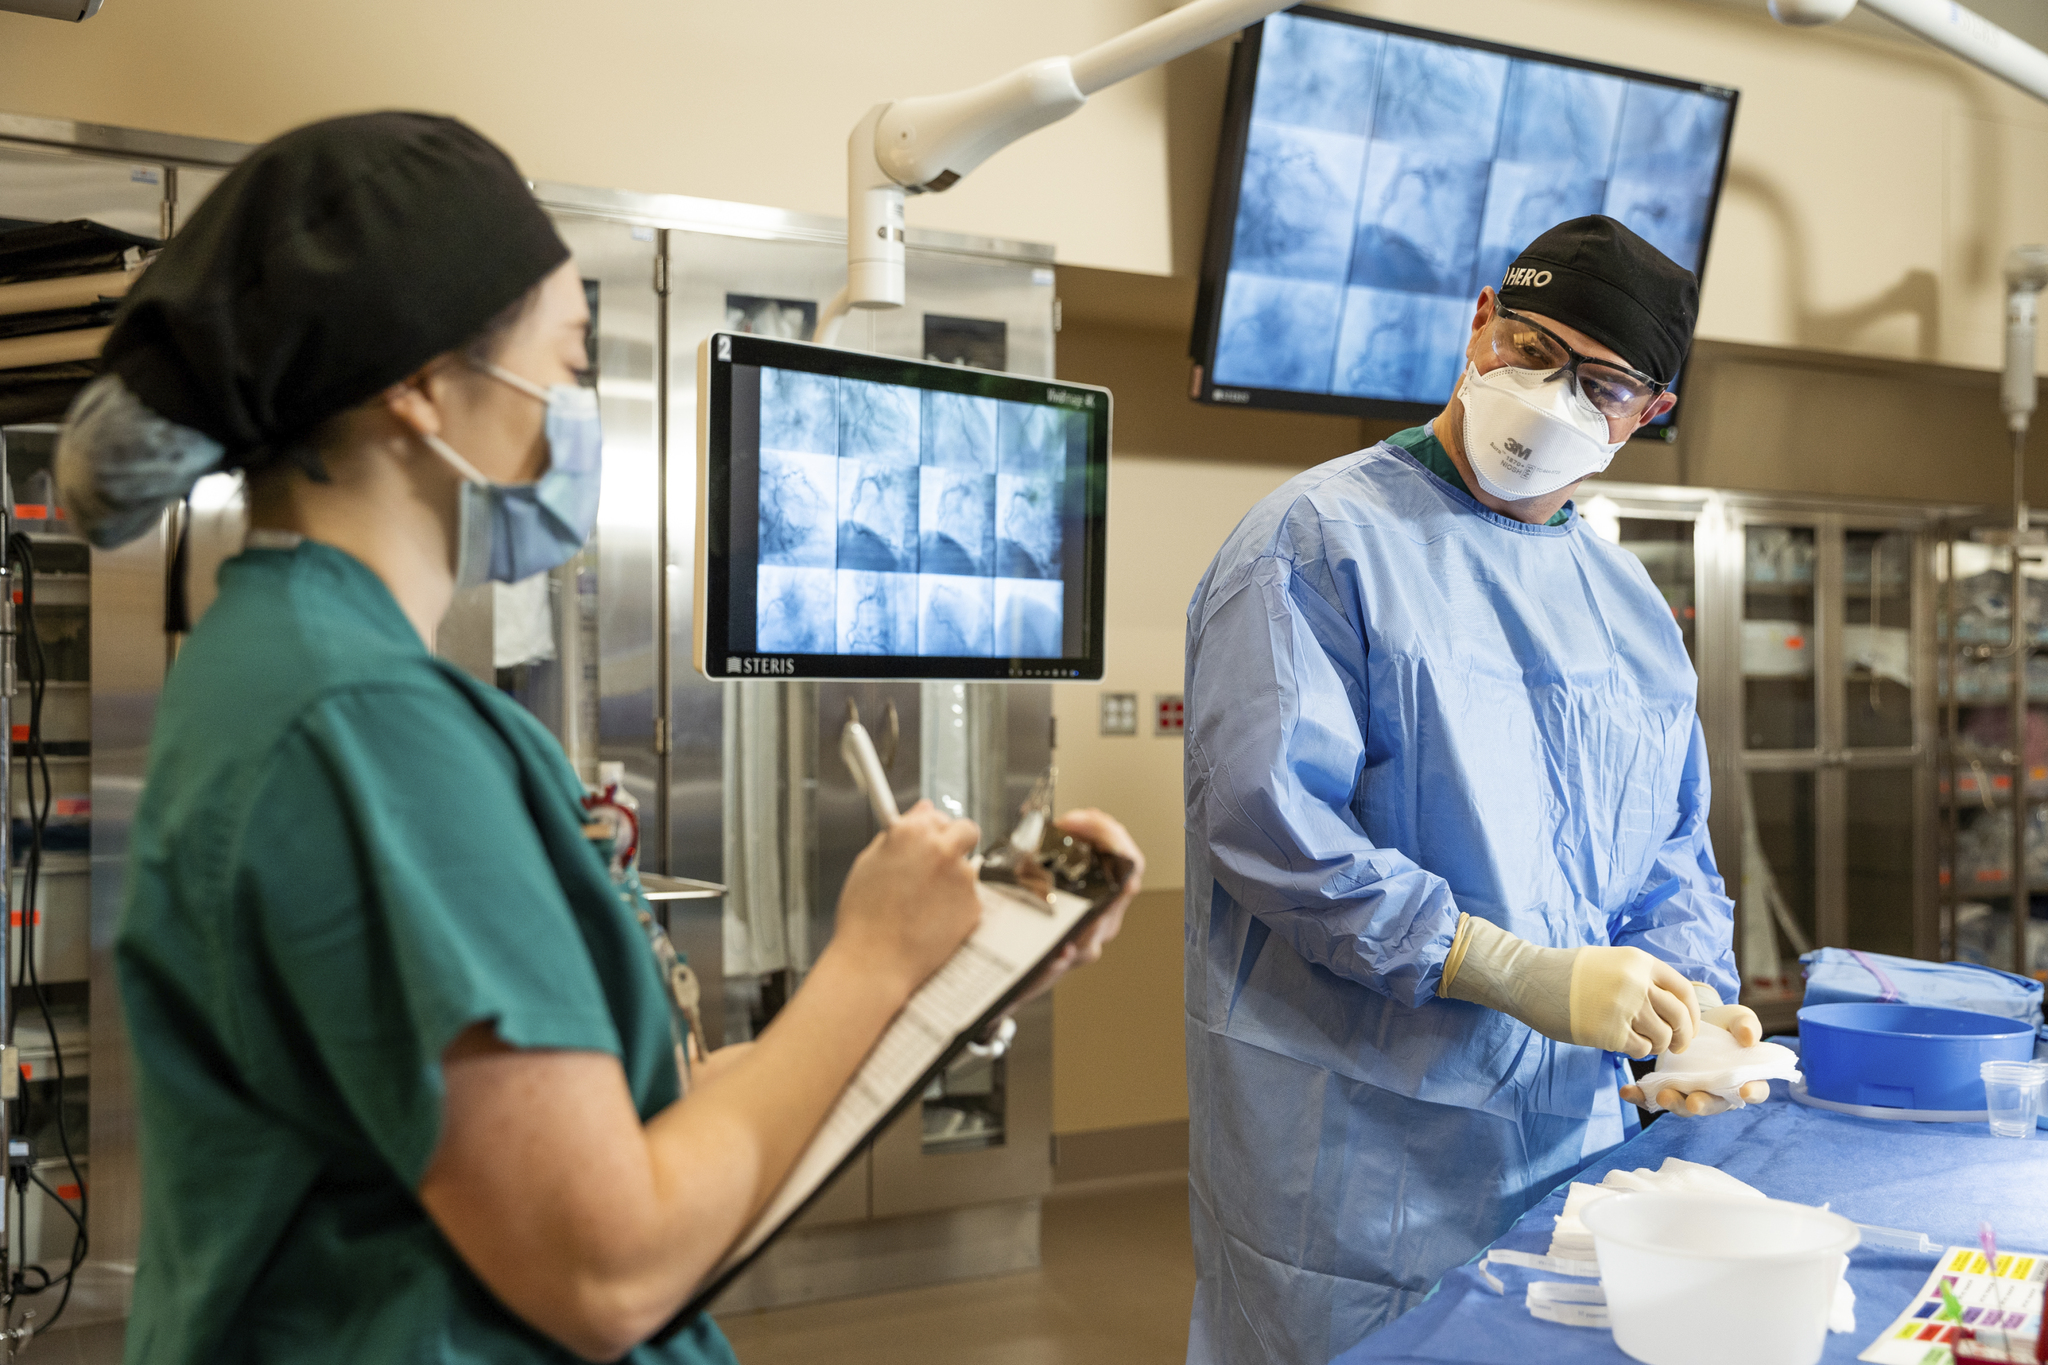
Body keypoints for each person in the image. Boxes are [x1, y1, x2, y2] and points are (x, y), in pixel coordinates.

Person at [55, 113, 1142, 1365]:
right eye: (566, 367)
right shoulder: (359, 725)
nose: (575, 414)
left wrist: (953, 963)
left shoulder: (314, 670)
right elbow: (608, 1261)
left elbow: (640, 1125)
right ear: (415, 386)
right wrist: (868, 961)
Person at [1181, 216, 1760, 1364]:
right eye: (1531, 350)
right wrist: (1505, 969)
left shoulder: (1629, 611)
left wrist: (1688, 1009)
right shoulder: (1315, 541)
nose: (1548, 398)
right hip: (1355, 1157)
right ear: (1479, 322)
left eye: (1597, 383)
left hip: (1573, 1146)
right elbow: (1270, 825)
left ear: (1645, 414)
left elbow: (1664, 854)